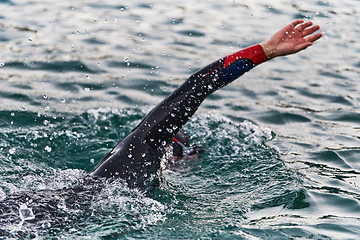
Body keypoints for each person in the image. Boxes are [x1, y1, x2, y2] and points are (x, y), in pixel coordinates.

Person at [91, 19, 322, 191]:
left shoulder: (124, 160)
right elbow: (198, 86)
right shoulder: (146, 144)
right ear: (174, 155)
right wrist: (266, 50)